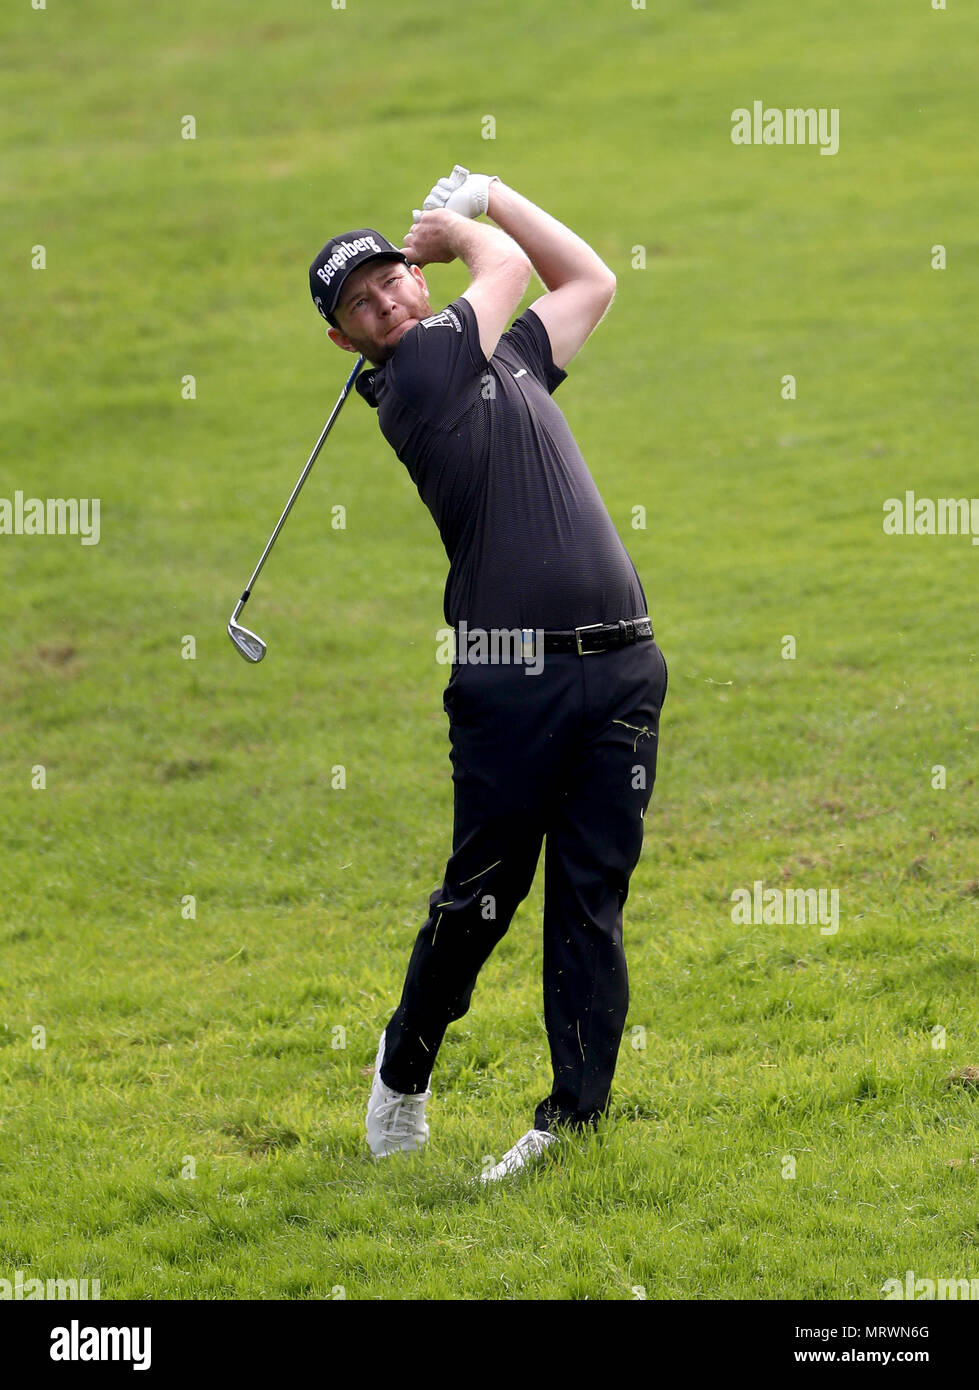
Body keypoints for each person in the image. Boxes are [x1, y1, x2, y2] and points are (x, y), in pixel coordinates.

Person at [308, 167, 668, 1181]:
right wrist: (466, 225)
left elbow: (589, 281)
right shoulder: (414, 378)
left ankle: (572, 1122)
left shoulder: (503, 358)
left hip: (624, 665)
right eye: (359, 303)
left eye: (390, 279)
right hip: (509, 677)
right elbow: (506, 266)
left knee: (589, 900)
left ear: (413, 281)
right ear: (347, 340)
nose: (384, 299)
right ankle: (402, 1068)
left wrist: (498, 195)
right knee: (481, 898)